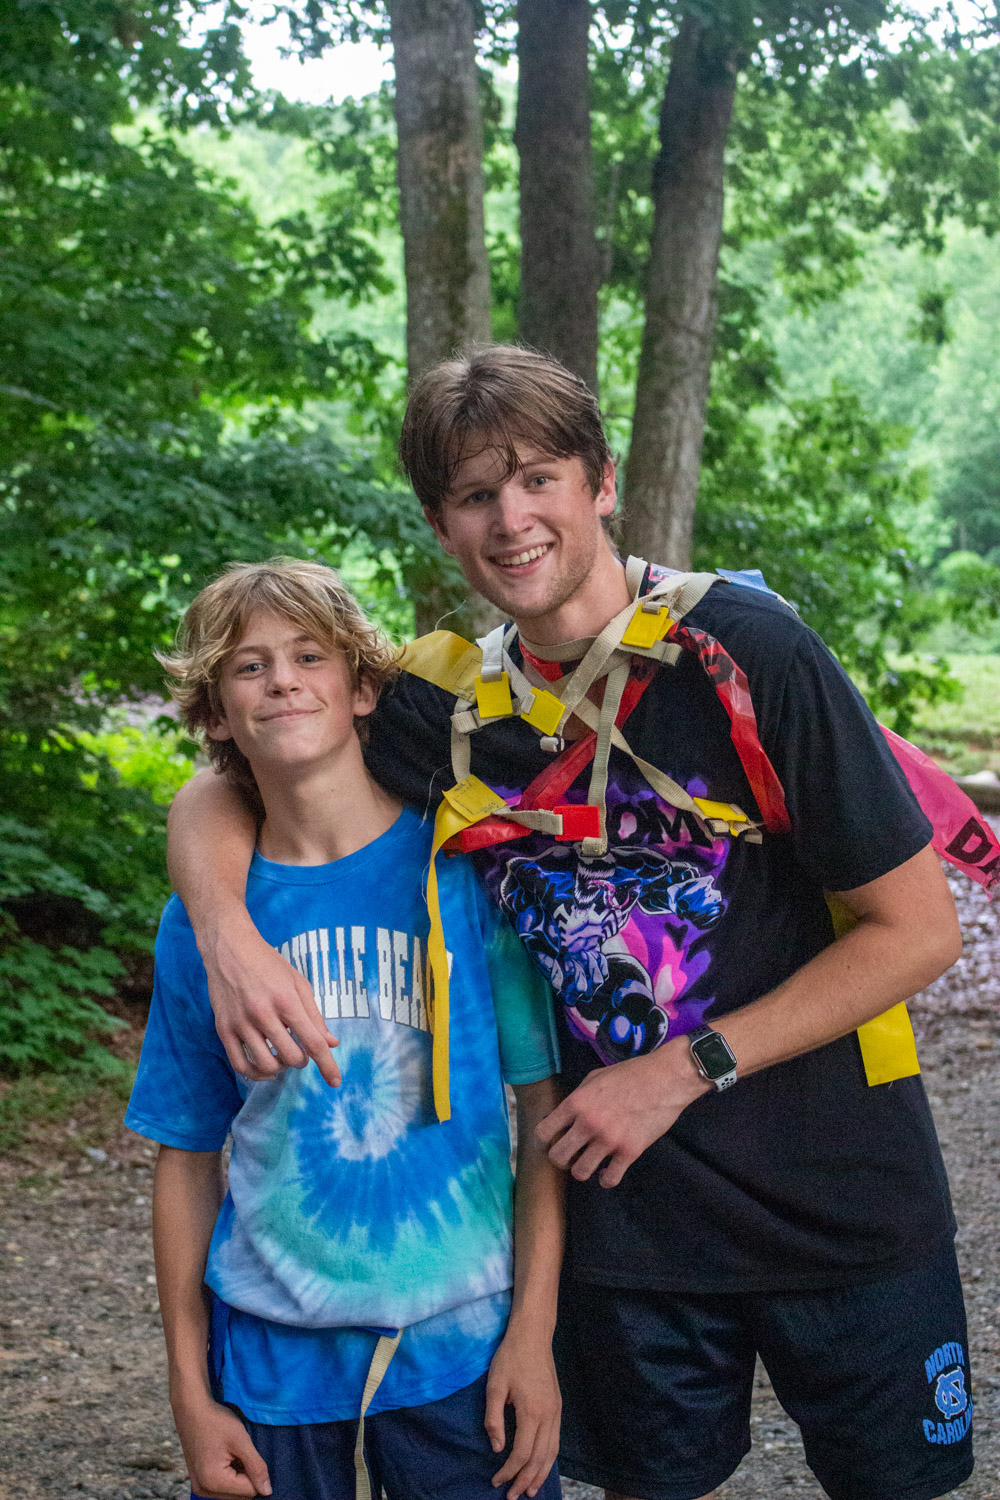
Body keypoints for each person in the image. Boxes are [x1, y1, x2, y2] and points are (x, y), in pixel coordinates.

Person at [166, 348, 973, 1500]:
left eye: (538, 478)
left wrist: (683, 1070)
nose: (511, 519)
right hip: (626, 1226)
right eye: (474, 495)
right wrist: (225, 935)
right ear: (441, 525)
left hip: (838, 1195)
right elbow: (228, 773)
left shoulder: (747, 650)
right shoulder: (447, 709)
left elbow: (917, 932)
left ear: (601, 482)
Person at [126, 558, 564, 1500]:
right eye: (248, 667)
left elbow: (544, 1119)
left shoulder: (465, 871)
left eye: (308, 656)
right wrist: (188, 1391)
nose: (281, 681)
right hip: (270, 1361)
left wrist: (534, 1337)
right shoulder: (205, 924)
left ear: (363, 687)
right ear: (214, 712)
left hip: (465, 1348)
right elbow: (186, 1157)